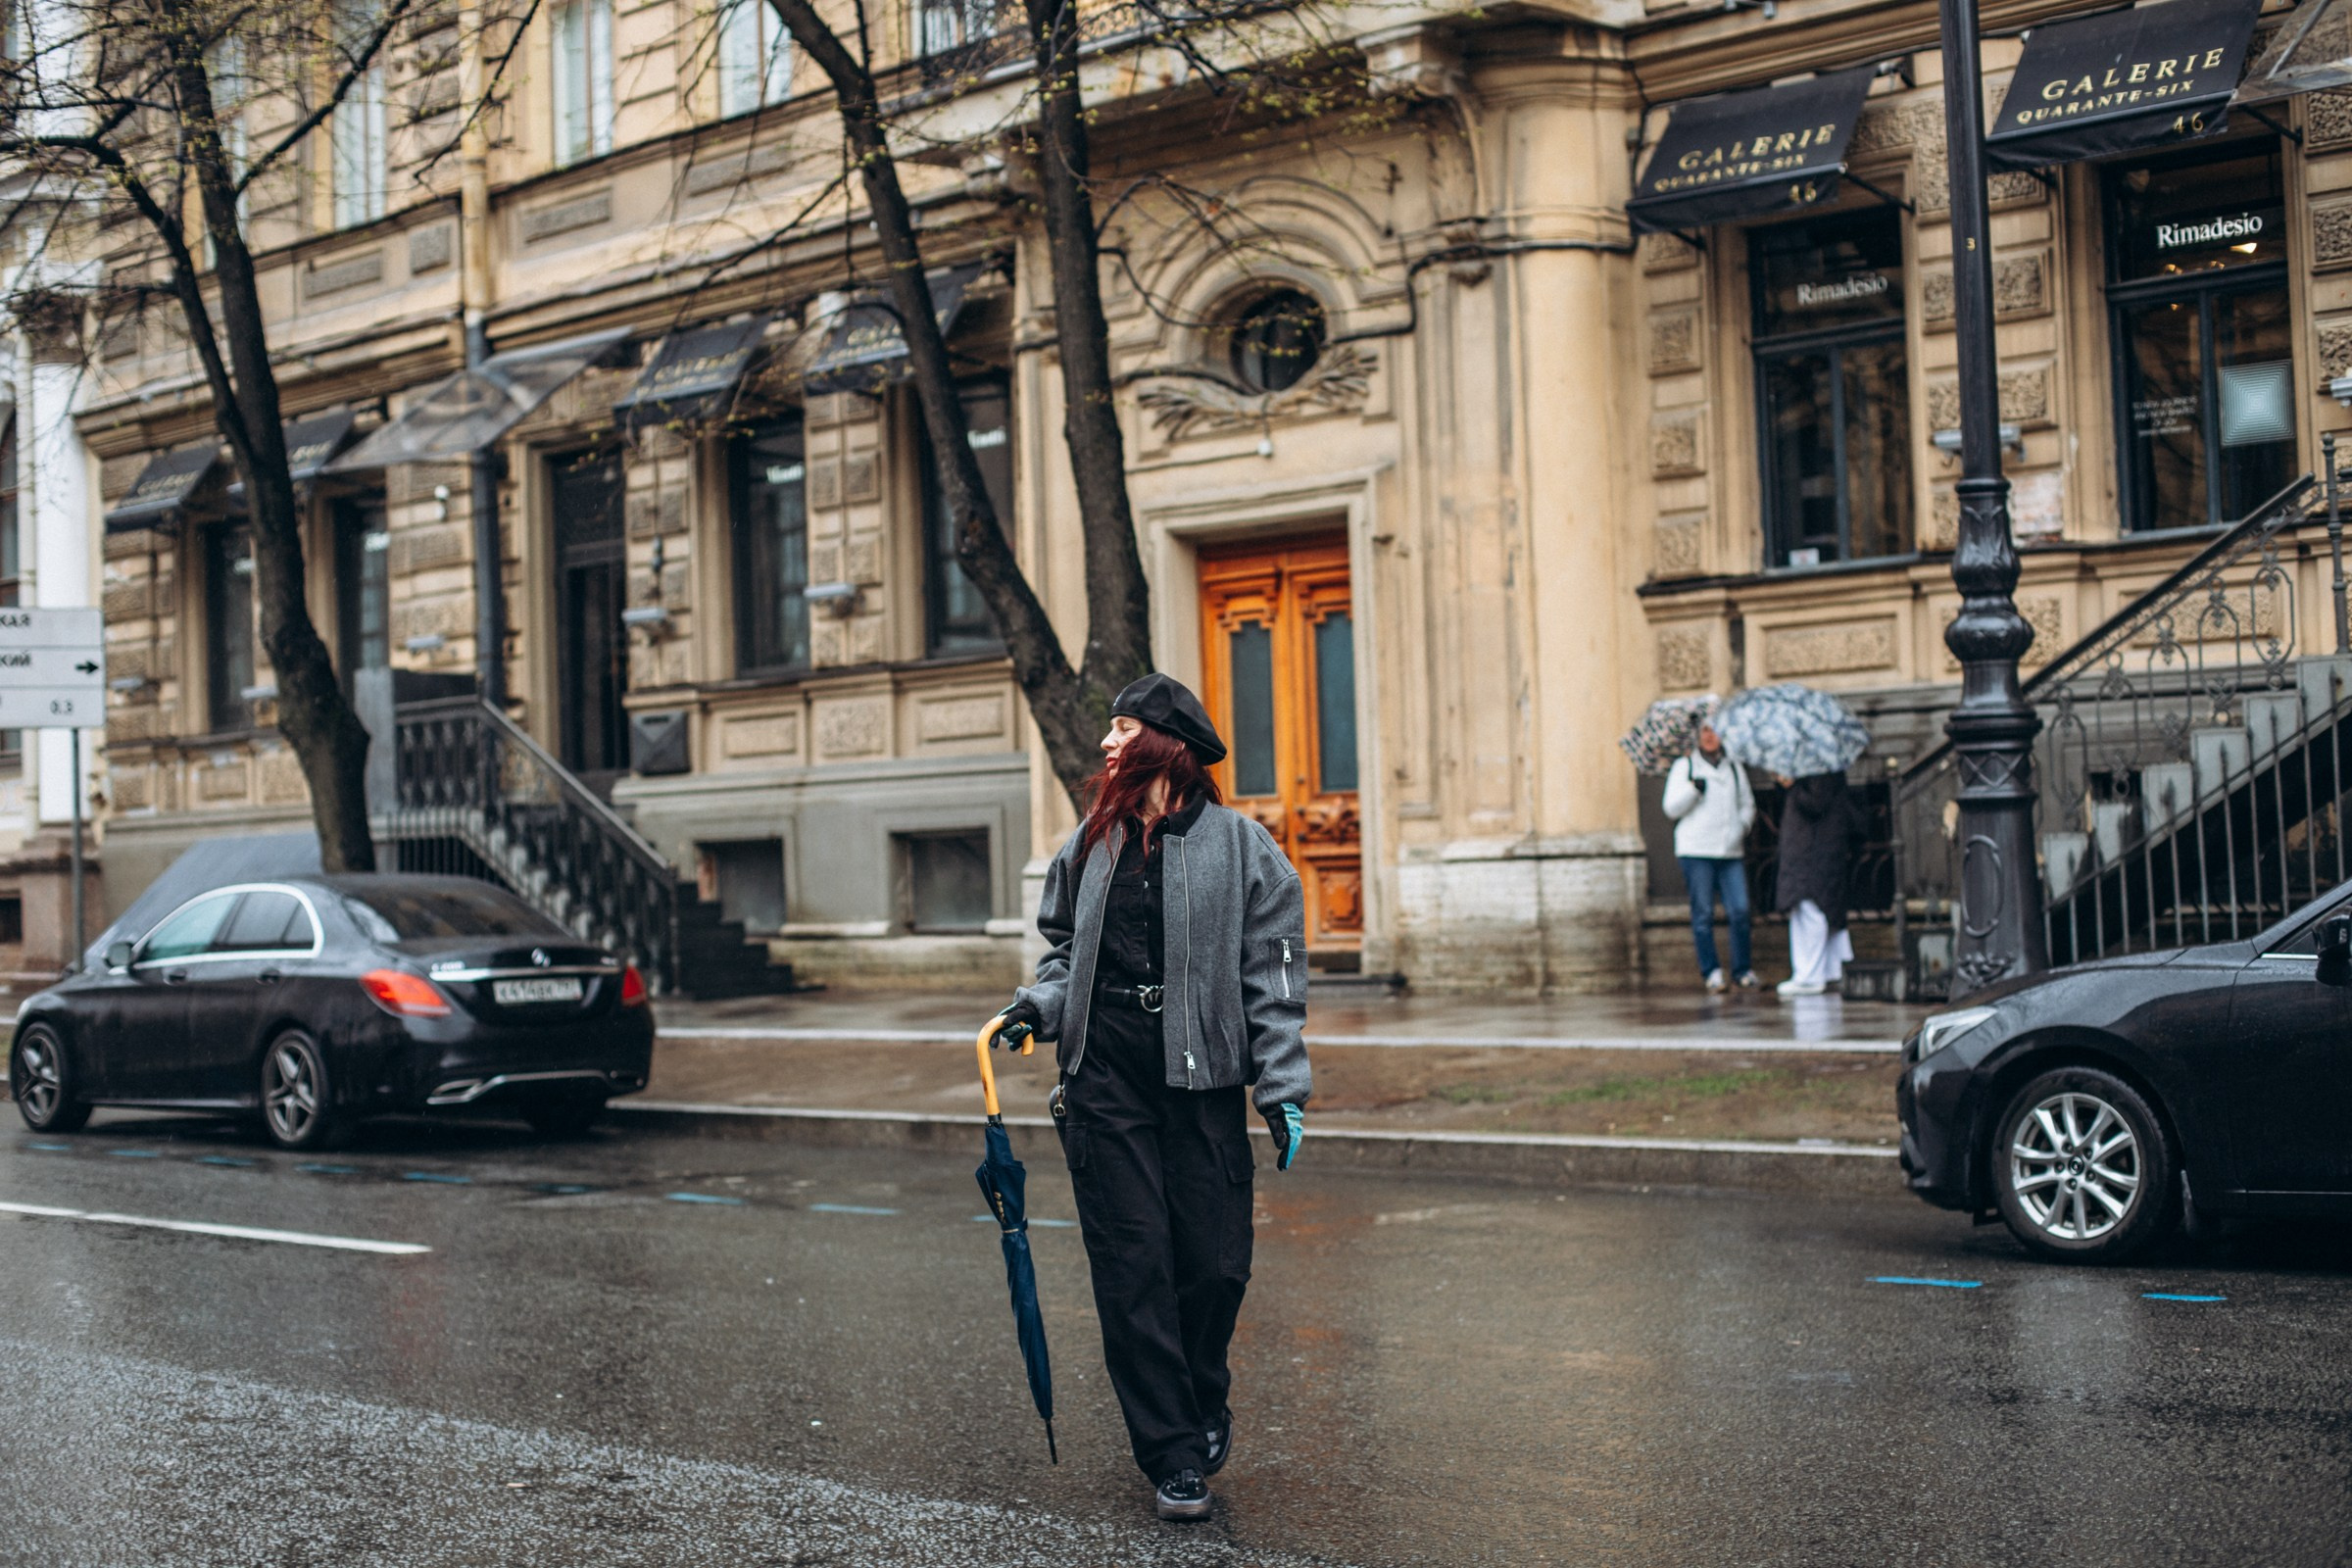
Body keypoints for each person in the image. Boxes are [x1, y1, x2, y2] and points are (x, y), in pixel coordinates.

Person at [992, 672, 1310, 1523]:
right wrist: (1039, 1007)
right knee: (1134, 1270)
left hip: (1201, 1078)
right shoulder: (1090, 844)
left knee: (1212, 1268)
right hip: (1106, 1076)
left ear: (1164, 743)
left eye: (1121, 726)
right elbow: (1063, 952)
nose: (1106, 742)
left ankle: (1203, 1399)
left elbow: (1274, 984)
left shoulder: (1245, 850)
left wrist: (1282, 1086)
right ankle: (1172, 1453)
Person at [1661, 721, 1758, 994]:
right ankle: (1712, 971)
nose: (1709, 736)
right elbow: (1670, 808)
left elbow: (1747, 804)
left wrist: (1742, 827)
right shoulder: (1685, 767)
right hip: (1696, 850)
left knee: (1740, 910)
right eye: (1704, 731)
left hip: (1729, 850)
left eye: (1714, 730)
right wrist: (1694, 790)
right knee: (1703, 913)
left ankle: (1742, 970)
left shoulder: (1734, 767)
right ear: (1697, 736)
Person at [1774, 770, 1864, 997]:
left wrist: (1792, 784)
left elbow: (1815, 801)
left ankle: (1809, 975)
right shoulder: (1822, 761)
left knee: (1811, 907)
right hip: (1818, 844)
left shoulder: (1819, 764)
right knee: (1825, 909)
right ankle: (1833, 969)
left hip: (1813, 847)